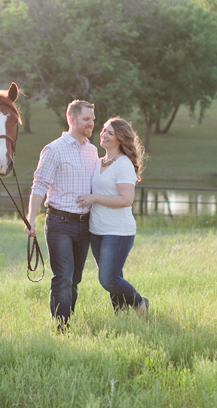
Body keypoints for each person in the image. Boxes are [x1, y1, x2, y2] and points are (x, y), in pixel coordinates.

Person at [24, 100, 100, 330]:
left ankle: (67, 322)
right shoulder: (53, 149)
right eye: (87, 119)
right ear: (72, 120)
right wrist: (31, 218)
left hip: (85, 224)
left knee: (75, 280)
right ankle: (61, 329)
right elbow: (39, 185)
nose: (92, 123)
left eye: (93, 119)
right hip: (59, 223)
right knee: (63, 277)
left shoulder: (93, 150)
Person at [76, 117, 149, 317]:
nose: (104, 134)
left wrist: (94, 197)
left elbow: (126, 199)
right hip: (96, 230)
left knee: (108, 279)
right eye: (103, 130)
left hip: (118, 231)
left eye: (110, 132)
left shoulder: (123, 164)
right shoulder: (98, 162)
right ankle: (121, 315)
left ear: (120, 139)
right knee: (114, 277)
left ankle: (140, 302)